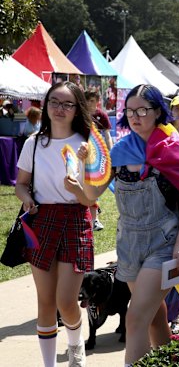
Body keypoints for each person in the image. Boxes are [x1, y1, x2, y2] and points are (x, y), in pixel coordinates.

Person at [80, 84, 179, 365]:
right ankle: (170, 362)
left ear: (158, 112)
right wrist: (85, 168)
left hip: (164, 244)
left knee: (135, 319)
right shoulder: (119, 151)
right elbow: (91, 195)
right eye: (130, 110)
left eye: (143, 109)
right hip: (129, 247)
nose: (136, 115)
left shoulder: (173, 149)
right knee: (155, 318)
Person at [15, 81, 95, 367]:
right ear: (46, 105)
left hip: (76, 220)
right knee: (45, 301)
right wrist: (26, 199)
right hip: (42, 221)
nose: (59, 109)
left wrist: (77, 188)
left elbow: (90, 200)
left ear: (77, 109)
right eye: (54, 102)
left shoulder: (87, 145)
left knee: (66, 302)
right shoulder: (33, 143)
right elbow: (21, 185)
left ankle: (75, 344)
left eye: (67, 104)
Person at [84, 91, 112, 232]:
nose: (91, 104)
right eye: (88, 101)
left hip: (96, 158)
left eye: (94, 101)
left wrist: (111, 153)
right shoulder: (79, 115)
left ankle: (95, 220)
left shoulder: (101, 116)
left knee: (93, 186)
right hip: (81, 156)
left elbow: (107, 135)